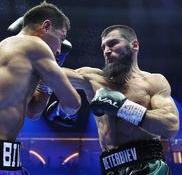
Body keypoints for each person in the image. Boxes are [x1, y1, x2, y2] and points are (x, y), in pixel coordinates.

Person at [61, 25, 179, 174]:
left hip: (148, 166)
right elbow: (48, 75)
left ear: (134, 45)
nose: (106, 51)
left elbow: (170, 126)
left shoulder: (153, 82)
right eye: (103, 47)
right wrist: (32, 45)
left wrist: (124, 108)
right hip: (110, 168)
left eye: (112, 43)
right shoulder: (93, 79)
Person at [0, 1, 81, 174]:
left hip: (7, 156)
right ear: (46, 26)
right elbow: (73, 103)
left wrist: (46, 83)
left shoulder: (8, 49)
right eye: (61, 38)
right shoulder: (35, 45)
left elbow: (33, 112)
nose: (59, 49)